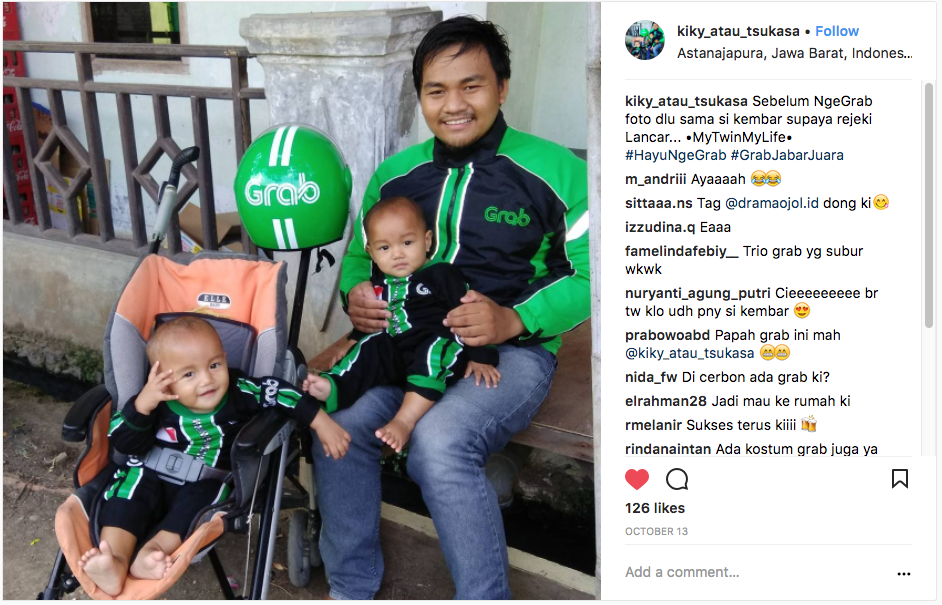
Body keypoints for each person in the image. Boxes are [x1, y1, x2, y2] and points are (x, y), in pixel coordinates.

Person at [312, 15, 589, 599]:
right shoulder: (396, 176)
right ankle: (351, 586)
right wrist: (355, 295)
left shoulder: (558, 171)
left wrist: (515, 318)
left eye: (472, 85)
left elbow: (595, 273)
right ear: (421, 97)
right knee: (340, 425)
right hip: (404, 344)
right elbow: (361, 258)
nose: (454, 104)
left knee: (438, 445)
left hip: (511, 355)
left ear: (502, 87)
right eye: (436, 90)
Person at [77, 316, 348, 596]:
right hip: (148, 472)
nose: (207, 379)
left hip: (204, 480)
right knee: (126, 495)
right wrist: (143, 404)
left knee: (204, 500)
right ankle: (114, 560)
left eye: (214, 365)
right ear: (164, 382)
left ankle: (151, 553)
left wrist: (320, 421)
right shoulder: (154, 403)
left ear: (224, 359)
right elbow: (121, 441)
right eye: (189, 374)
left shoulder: (239, 391)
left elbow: (280, 392)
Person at [303, 196, 501, 453]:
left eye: (407, 243)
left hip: (438, 345)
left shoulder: (442, 274)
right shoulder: (378, 284)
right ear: (371, 252)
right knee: (373, 345)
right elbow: (372, 322)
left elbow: (469, 313)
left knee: (433, 349)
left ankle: (404, 421)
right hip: (397, 353)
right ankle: (332, 387)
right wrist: (354, 341)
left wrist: (482, 357)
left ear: (427, 241)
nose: (397, 254)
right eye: (385, 248)